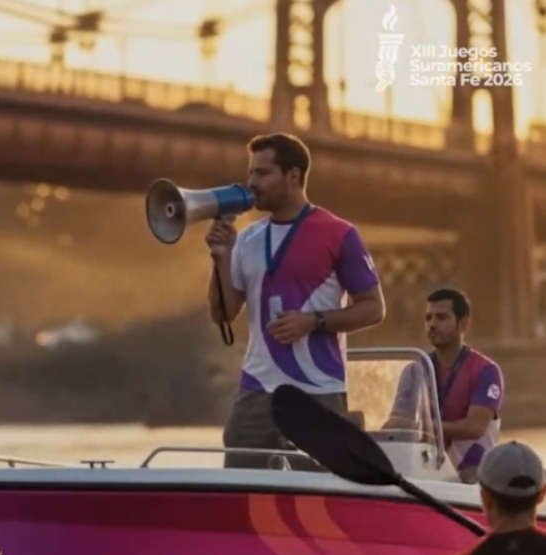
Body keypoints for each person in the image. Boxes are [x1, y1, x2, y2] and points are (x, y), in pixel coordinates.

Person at [207, 132, 386, 468]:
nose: (251, 183)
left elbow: (374, 308)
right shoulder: (246, 239)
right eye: (251, 173)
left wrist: (313, 321)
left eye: (262, 173)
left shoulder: (339, 233)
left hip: (318, 389)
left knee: (321, 494)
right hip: (256, 389)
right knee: (242, 490)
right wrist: (220, 256)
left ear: (293, 176)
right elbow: (222, 314)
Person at [386, 288, 503, 482]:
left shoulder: (487, 371)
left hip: (470, 477)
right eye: (428, 318)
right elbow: (397, 423)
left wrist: (422, 426)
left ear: (464, 323)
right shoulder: (414, 371)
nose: (432, 324)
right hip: (425, 473)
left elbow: (475, 427)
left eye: (441, 317)